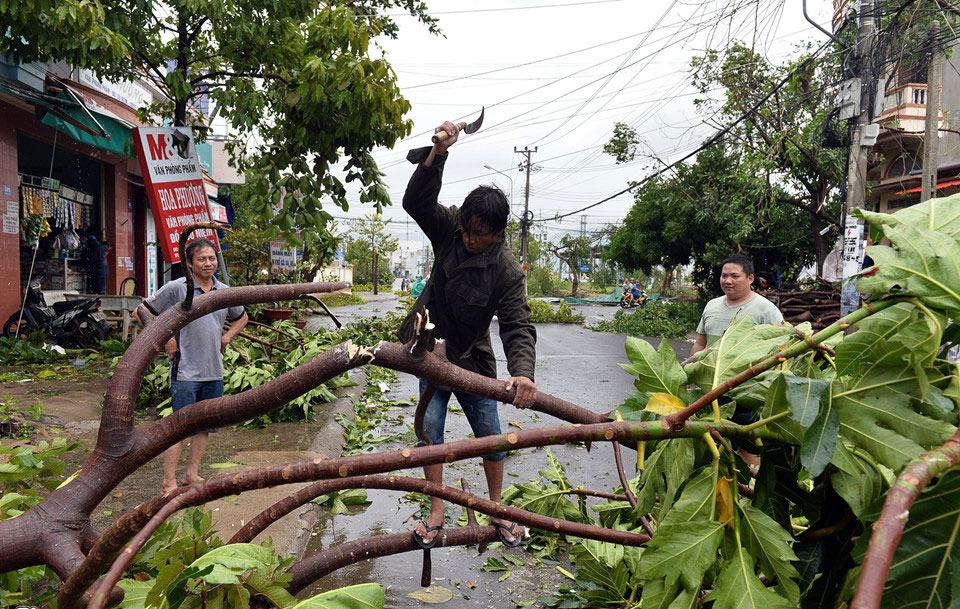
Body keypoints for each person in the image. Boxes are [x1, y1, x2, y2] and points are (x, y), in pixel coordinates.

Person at [399, 120, 538, 548]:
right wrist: (437, 153)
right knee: (431, 430)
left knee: (490, 434)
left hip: (473, 357)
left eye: (480, 233)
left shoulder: (506, 269)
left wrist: (523, 373)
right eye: (467, 227)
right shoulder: (450, 228)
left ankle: (497, 510)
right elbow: (415, 201)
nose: (470, 237)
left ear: (498, 233)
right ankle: (437, 509)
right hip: (430, 345)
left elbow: (517, 325)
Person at [135, 239, 248, 494]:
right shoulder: (178, 288)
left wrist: (227, 337)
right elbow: (141, 310)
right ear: (189, 263)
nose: (208, 263)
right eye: (201, 259)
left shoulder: (223, 291)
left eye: (211, 258)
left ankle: (191, 474)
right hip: (186, 371)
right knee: (178, 428)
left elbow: (242, 316)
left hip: (214, 370)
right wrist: (167, 337)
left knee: (204, 424)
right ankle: (168, 482)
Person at [689, 253, 784, 358]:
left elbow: (780, 349)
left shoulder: (767, 310)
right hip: (708, 373)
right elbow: (700, 344)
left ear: (750, 279)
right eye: (724, 276)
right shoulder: (712, 305)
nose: (728, 281)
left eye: (735, 276)